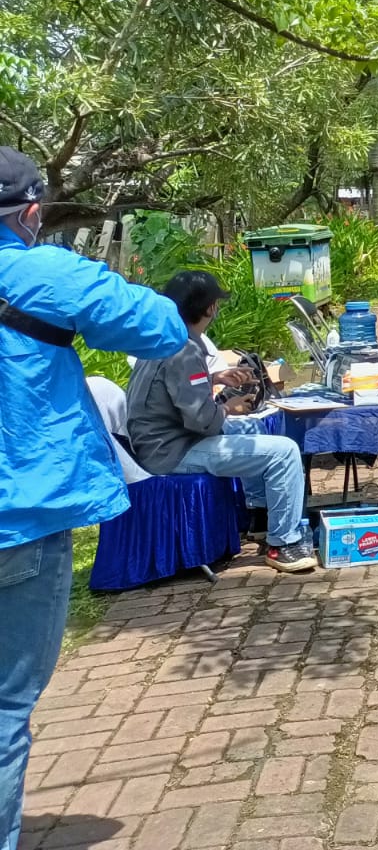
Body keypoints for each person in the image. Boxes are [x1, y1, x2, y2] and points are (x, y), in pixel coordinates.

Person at [0, 149, 189, 850]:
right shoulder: (40, 270)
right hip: (19, 517)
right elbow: (162, 327)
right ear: (29, 211)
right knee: (4, 704)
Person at [126, 271, 314, 573]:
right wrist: (229, 407)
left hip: (159, 441)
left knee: (254, 429)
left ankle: (259, 516)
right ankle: (284, 544)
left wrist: (215, 378)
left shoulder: (161, 338)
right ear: (211, 308)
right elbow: (204, 422)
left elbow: (169, 387)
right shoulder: (185, 351)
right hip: (173, 452)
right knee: (284, 451)